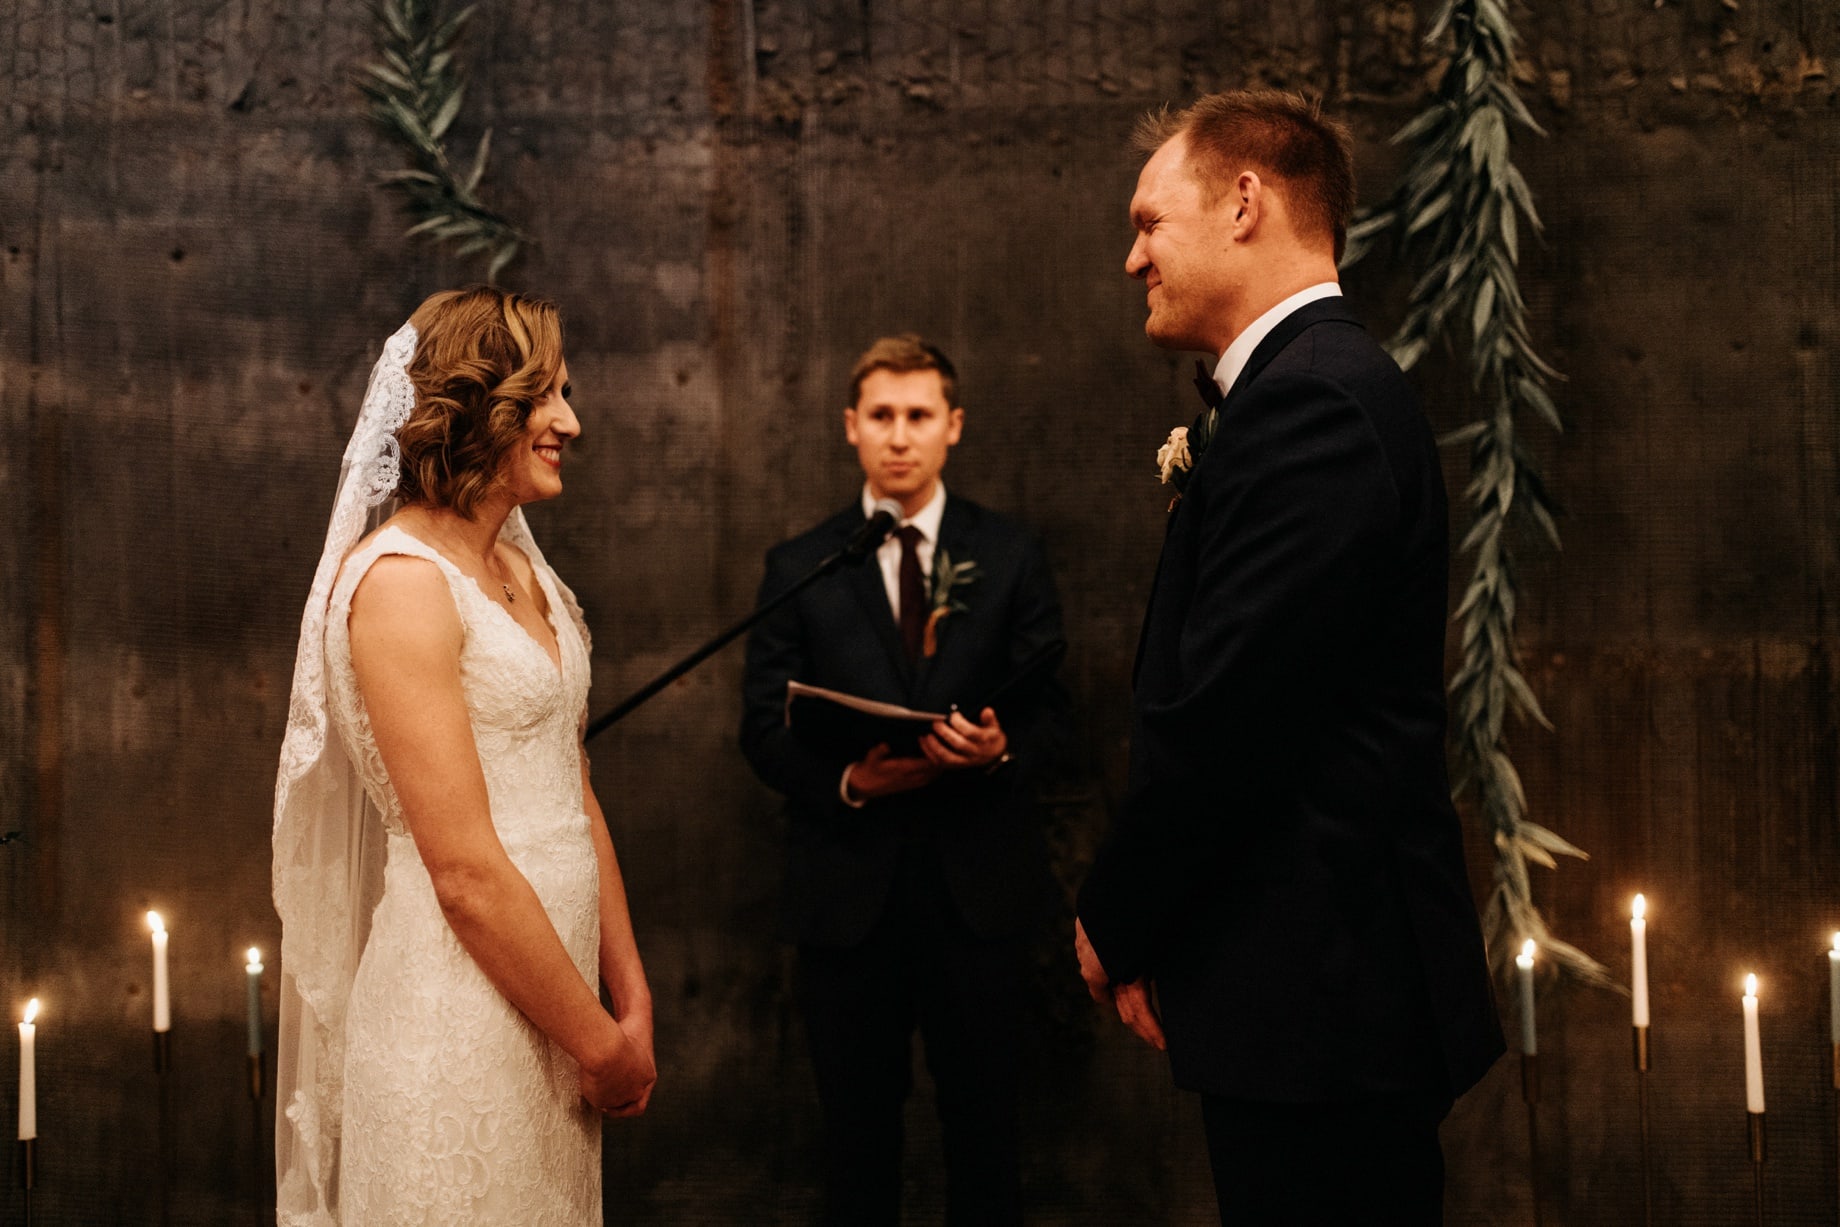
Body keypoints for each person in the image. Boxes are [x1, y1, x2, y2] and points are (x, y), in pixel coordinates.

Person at [1073, 91, 1504, 1223]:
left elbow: (1228, 716)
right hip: (1310, 988)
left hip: (1329, 995)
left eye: (1150, 222)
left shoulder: (1312, 403)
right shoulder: (1307, 390)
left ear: (1246, 203)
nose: (1132, 258)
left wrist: (1118, 917)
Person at [272, 286, 654, 1226]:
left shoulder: (528, 571)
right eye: (546, 397)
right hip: (457, 1017)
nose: (571, 419)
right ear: (479, 408)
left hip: (557, 1022)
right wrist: (597, 1042)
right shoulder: (402, 584)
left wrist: (629, 1003)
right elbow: (465, 871)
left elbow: (576, 793)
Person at [740, 335, 1069, 1227]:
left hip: (980, 901)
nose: (899, 437)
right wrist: (851, 778)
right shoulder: (799, 563)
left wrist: (999, 748)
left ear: (952, 426)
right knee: (855, 1148)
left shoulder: (1008, 553)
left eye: (918, 416)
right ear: (850, 427)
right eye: (880, 416)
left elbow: (1057, 714)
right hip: (849, 905)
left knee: (988, 1140)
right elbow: (761, 730)